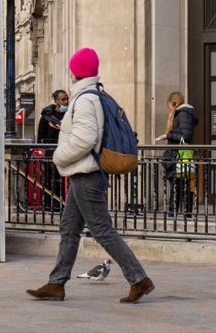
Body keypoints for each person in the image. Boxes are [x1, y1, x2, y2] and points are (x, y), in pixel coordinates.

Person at [26, 47, 154, 303]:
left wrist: (58, 156)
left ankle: (139, 279)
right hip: (83, 174)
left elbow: (86, 138)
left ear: (75, 71)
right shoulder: (94, 94)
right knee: (69, 229)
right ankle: (56, 283)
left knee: (102, 231)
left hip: (87, 174)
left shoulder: (85, 99)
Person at [157, 92, 198, 215]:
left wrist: (168, 135)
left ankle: (182, 212)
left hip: (179, 155)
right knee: (178, 183)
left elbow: (186, 136)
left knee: (180, 184)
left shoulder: (183, 114)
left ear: (171, 102)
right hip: (176, 154)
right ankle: (175, 212)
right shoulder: (182, 113)